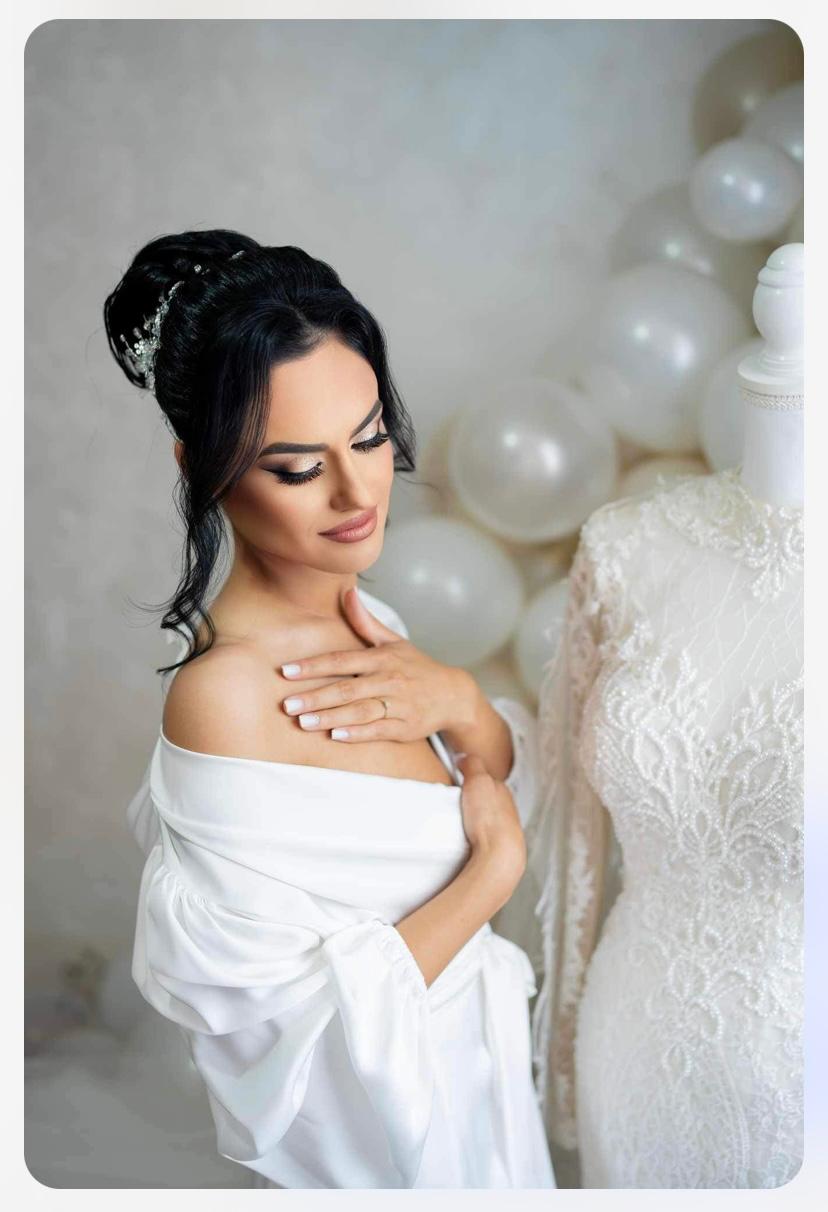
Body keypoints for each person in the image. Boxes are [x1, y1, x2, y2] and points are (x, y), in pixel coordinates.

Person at [103, 229, 555, 1189]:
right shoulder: (223, 702)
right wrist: (493, 875)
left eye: (371, 437)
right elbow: (286, 1055)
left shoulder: (374, 624)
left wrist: (459, 699)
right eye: (299, 469)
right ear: (201, 466)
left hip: (482, 1108)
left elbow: (491, 779)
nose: (357, 492)